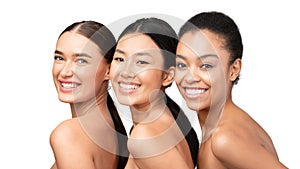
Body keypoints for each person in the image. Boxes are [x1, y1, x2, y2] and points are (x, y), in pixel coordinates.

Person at [175, 11, 288, 168]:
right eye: (182, 65)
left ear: (234, 69)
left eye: (206, 66)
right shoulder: (223, 128)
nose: (190, 77)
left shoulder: (224, 139)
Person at [109, 18, 199, 169]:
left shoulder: (145, 136)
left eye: (142, 62)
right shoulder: (165, 122)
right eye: (120, 59)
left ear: (167, 76)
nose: (125, 72)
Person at [50, 21, 128, 169]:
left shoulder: (68, 134)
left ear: (108, 70)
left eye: (81, 61)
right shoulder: (112, 131)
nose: (65, 72)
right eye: (59, 58)